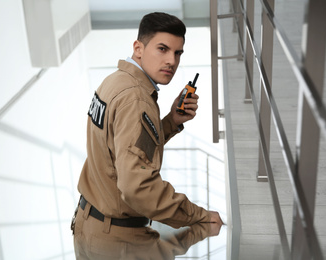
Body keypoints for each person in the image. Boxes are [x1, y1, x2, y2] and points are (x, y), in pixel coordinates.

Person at [72, 12, 223, 259]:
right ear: (138, 48)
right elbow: (138, 188)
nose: (171, 61)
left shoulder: (113, 82)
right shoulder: (137, 99)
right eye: (162, 49)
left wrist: (171, 122)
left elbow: (121, 148)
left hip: (88, 225)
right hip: (119, 241)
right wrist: (198, 215)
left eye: (177, 53)